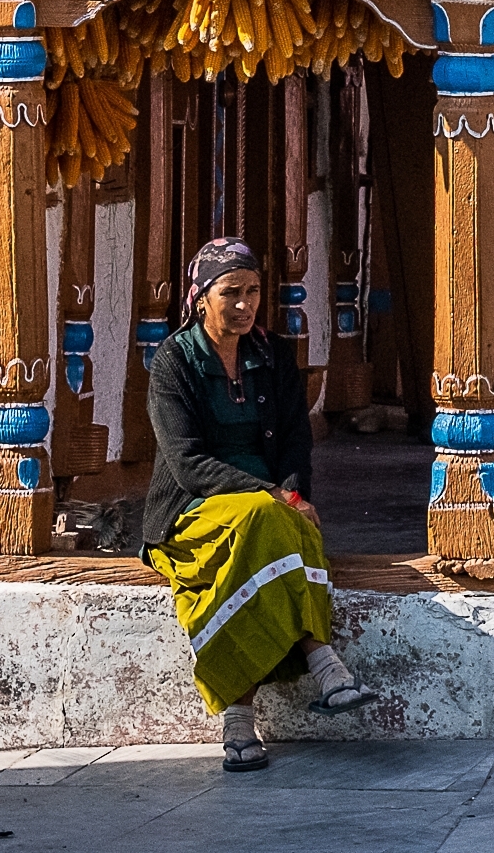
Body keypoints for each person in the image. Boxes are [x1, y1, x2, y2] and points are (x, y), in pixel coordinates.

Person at [144, 236, 372, 770]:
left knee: (282, 530)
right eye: (231, 293)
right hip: (194, 506)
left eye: (253, 292)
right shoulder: (174, 364)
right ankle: (323, 660)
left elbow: (296, 441)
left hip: (267, 506)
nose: (245, 305)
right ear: (202, 297)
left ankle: (239, 721)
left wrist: (292, 492)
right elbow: (186, 463)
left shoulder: (272, 358)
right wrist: (273, 495)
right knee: (267, 520)